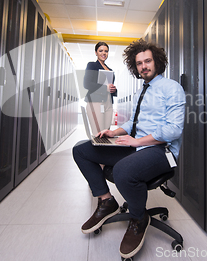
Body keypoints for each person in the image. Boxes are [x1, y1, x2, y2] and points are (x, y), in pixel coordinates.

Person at [73, 39, 186, 259]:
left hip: (161, 151)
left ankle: (138, 217)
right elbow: (133, 125)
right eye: (139, 63)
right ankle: (106, 201)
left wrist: (137, 142)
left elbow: (174, 130)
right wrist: (113, 133)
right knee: (82, 150)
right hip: (137, 145)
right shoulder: (140, 91)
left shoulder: (171, 88)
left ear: (157, 62)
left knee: (123, 170)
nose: (144, 66)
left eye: (148, 61)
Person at [83, 41, 117, 134]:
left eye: (106, 51)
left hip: (108, 102)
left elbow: (110, 86)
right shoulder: (92, 65)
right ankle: (96, 148)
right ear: (96, 52)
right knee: (98, 132)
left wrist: (114, 89)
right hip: (95, 102)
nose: (104, 53)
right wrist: (105, 88)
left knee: (106, 132)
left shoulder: (110, 70)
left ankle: (104, 149)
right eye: (101, 51)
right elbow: (87, 84)